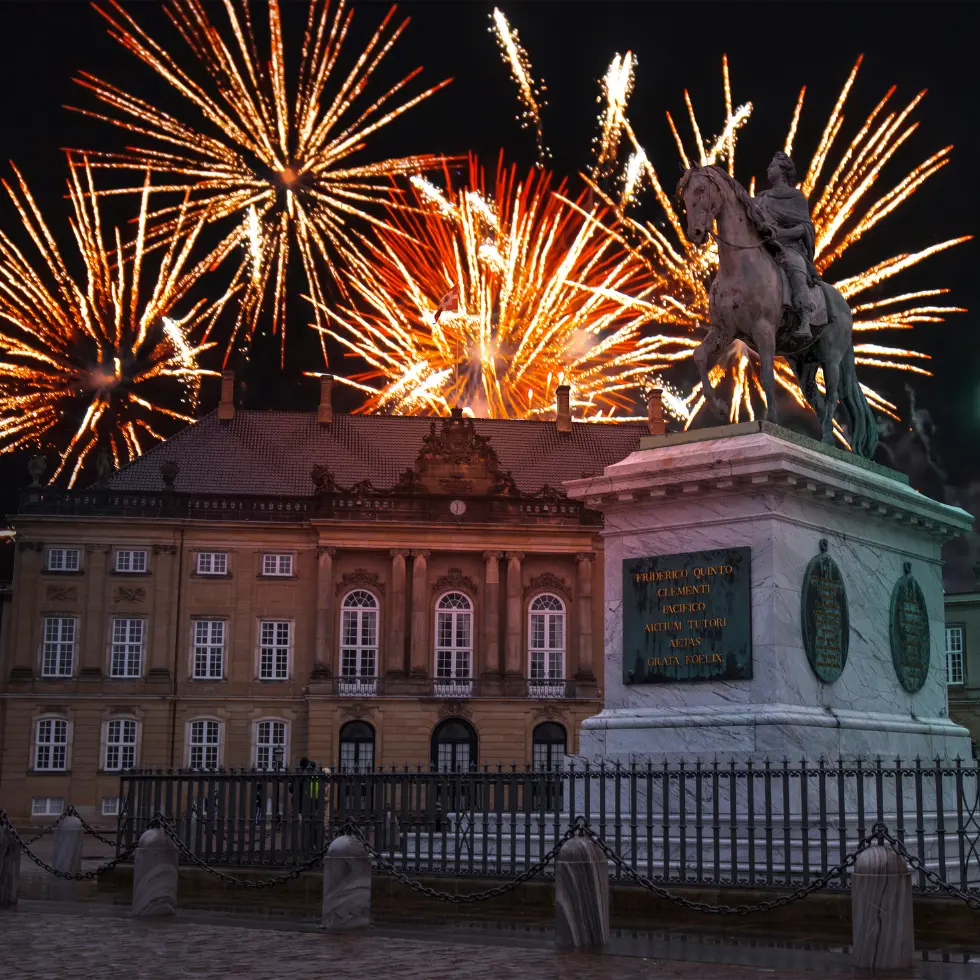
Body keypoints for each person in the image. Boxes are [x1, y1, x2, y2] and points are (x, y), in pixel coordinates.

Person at [752, 151, 818, 340]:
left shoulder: (796, 198)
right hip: (762, 246)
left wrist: (781, 234)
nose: (768, 169)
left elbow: (805, 227)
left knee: (795, 265)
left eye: (772, 166)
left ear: (782, 171)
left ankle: (804, 316)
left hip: (788, 247)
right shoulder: (760, 198)